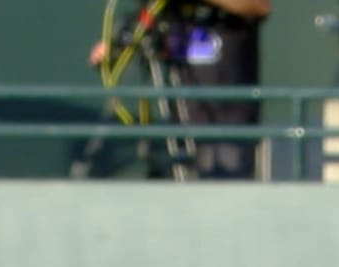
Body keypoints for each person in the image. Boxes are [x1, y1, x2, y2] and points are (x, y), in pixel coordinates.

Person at [88, 0, 268, 179]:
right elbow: (143, 28)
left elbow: (259, 5)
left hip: (228, 127)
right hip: (178, 126)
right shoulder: (168, 12)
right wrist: (114, 51)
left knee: (223, 196)